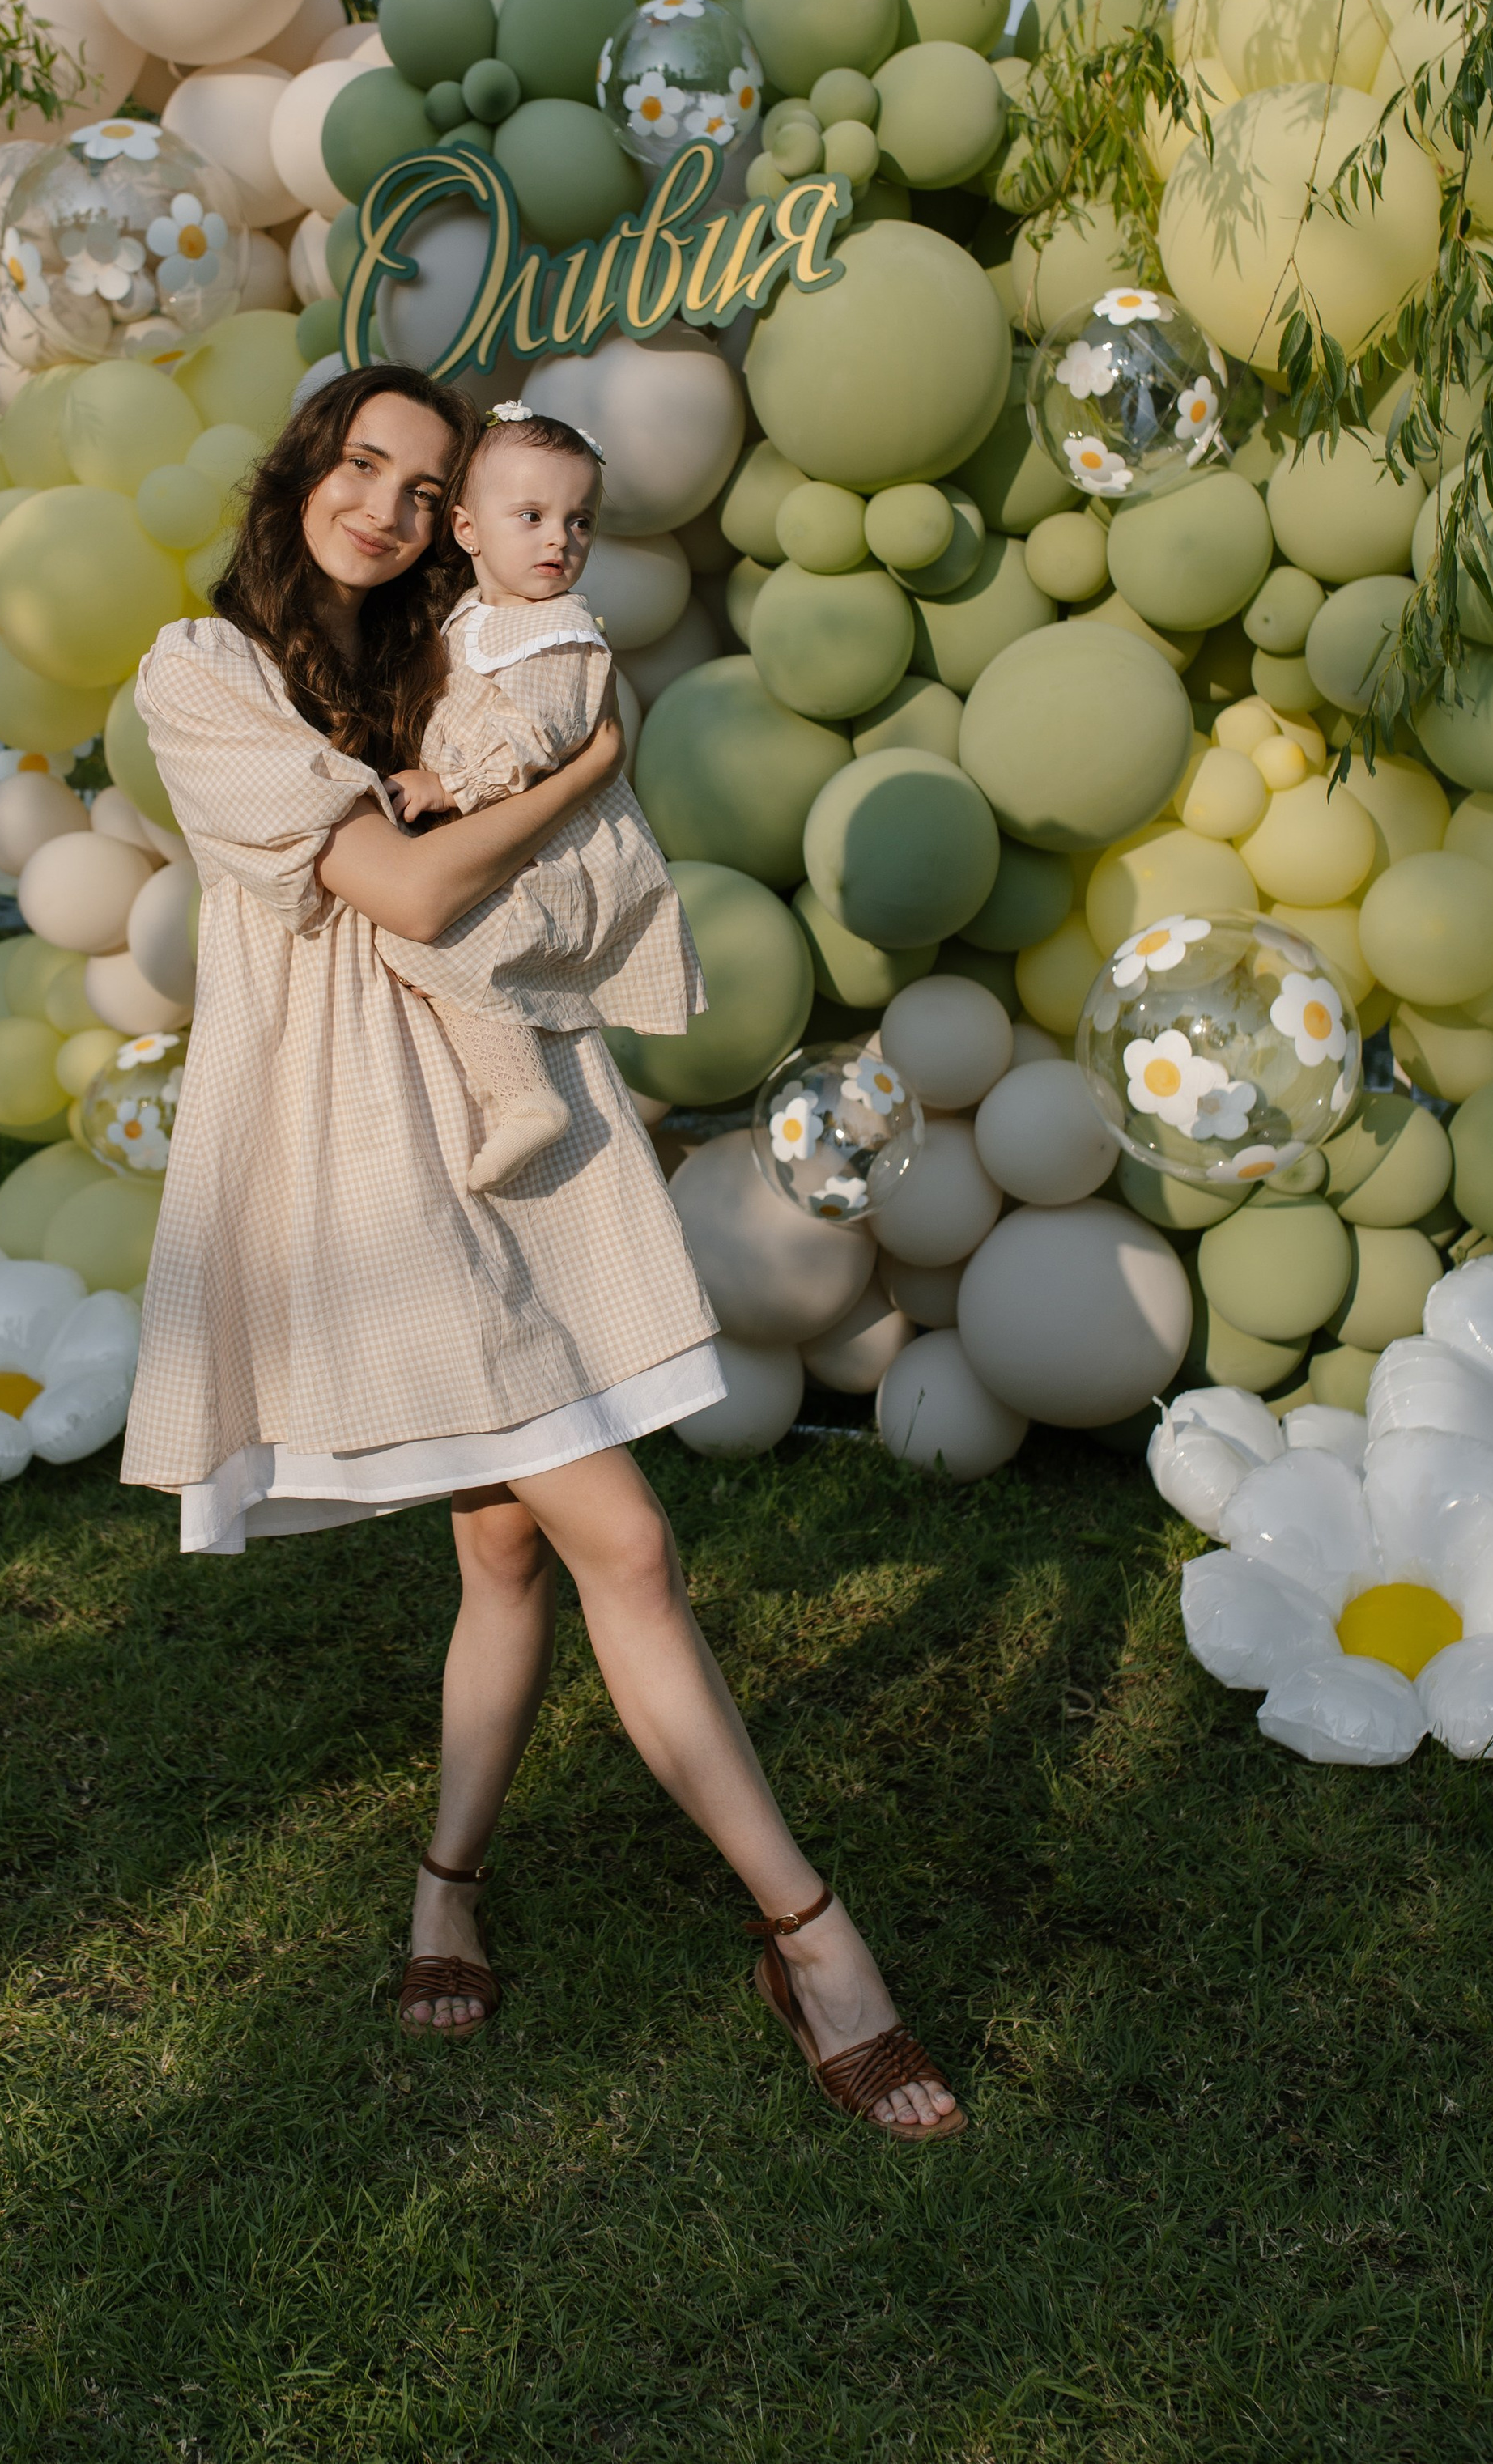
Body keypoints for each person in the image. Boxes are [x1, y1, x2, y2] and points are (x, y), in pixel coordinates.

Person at [121, 362, 963, 2145]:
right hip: (373, 1162)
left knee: (506, 1552)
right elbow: (411, 894)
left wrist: (548, 754)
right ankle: (817, 1947)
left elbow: (545, 857)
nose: (390, 509)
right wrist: (585, 765)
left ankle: (444, 1884)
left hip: (517, 1137)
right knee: (626, 1542)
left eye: (426, 490)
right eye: (364, 468)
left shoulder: (438, 651)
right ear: (299, 474)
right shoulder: (201, 676)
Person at [382, 397, 694, 1192]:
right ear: (467, 531)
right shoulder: (471, 619)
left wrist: (445, 782)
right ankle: (501, 1091)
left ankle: (522, 1097)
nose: (560, 538)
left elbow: (534, 738)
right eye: (531, 515)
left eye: (579, 520)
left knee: (436, 940)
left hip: (547, 852)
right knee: (419, 943)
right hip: (498, 837)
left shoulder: (561, 630)